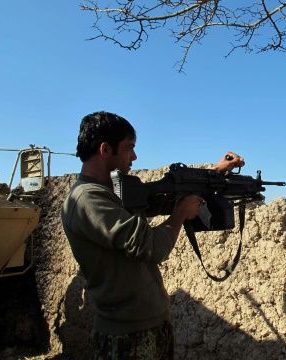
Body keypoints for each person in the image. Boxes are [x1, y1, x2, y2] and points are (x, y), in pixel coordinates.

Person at [61, 111, 244, 359]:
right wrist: (180, 215)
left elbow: (159, 196)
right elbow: (151, 247)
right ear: (105, 150)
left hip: (145, 325)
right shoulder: (88, 199)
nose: (134, 156)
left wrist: (214, 172)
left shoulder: (112, 193)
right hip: (127, 335)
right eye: (128, 148)